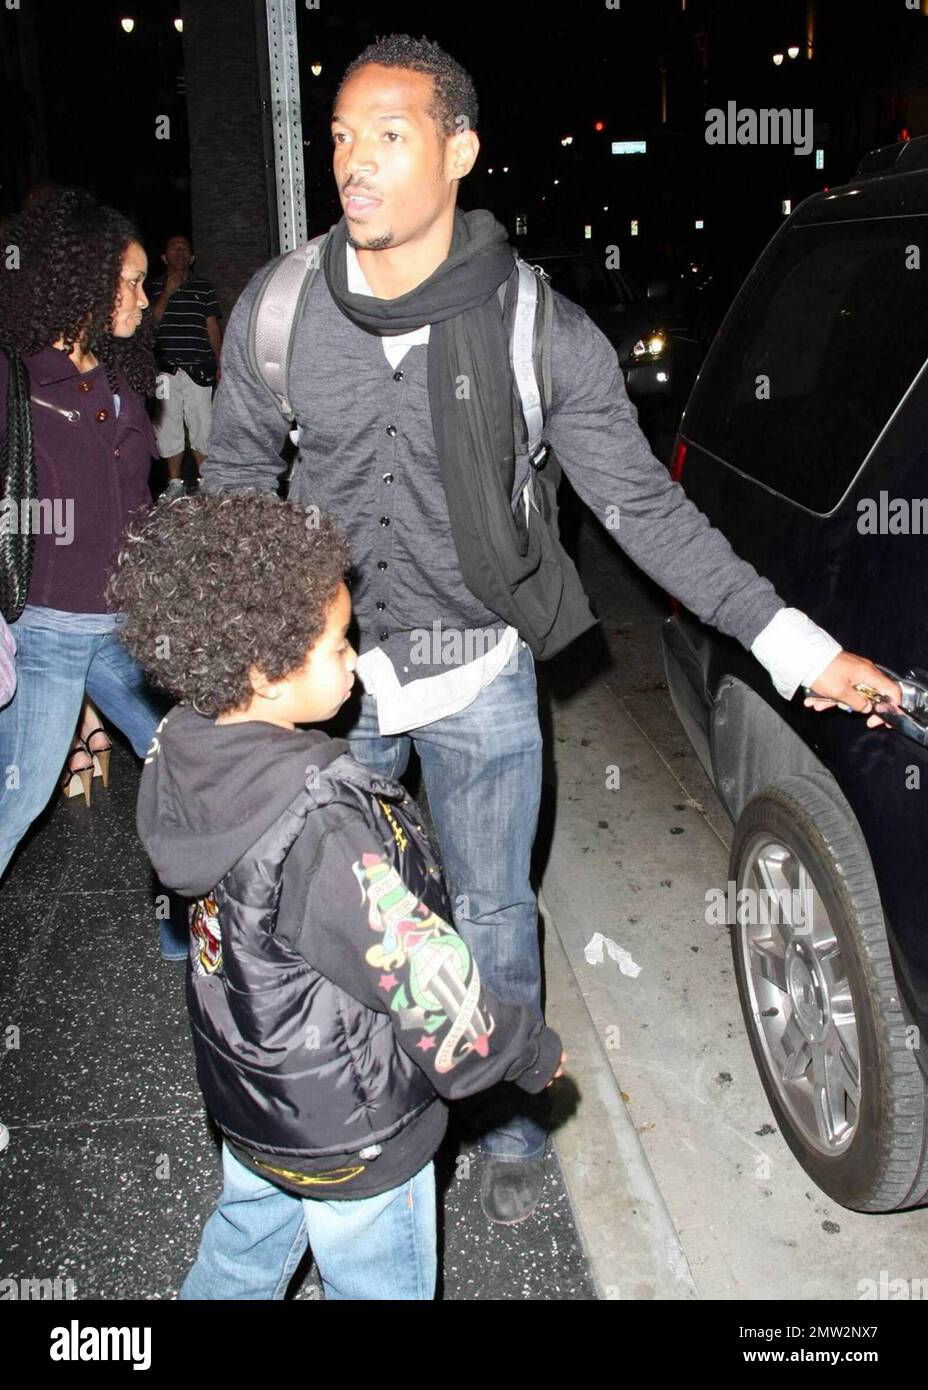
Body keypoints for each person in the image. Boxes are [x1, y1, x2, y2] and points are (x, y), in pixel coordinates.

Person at [200, 34, 900, 1223]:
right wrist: (230, 678)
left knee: (487, 912)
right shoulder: (277, 315)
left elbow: (643, 513)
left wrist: (796, 646)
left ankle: (513, 1124)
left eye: (388, 135)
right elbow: (230, 493)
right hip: (336, 686)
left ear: (459, 150)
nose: (352, 164)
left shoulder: (543, 334)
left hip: (478, 674)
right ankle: (362, 1114)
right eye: (337, 138)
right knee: (339, 919)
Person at [109, 490, 566, 1301]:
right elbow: (430, 987)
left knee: (246, 1245)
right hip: (355, 1135)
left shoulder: (181, 752)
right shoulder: (317, 829)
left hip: (254, 1105)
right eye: (336, 644)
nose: (356, 658)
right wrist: (527, 1049)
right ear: (264, 674)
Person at [0, 187, 169, 884]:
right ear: (83, 284)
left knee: (182, 755)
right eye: (128, 281)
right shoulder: (19, 384)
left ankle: (193, 927)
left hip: (123, 625)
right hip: (49, 634)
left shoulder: (124, 381)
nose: (140, 296)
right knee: (17, 803)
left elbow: (136, 506)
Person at [148, 234, 222, 496]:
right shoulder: (151, 289)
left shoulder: (204, 287)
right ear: (164, 257)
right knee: (167, 426)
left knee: (202, 424)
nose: (179, 251)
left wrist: (219, 360)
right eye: (173, 247)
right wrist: (166, 293)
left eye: (184, 247)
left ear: (191, 257)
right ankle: (175, 483)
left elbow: (212, 326)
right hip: (163, 370)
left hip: (198, 366)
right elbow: (148, 326)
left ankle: (204, 483)